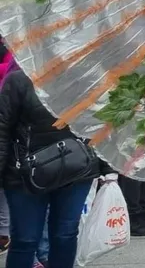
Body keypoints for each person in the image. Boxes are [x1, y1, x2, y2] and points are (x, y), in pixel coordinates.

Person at [0, 40, 107, 268]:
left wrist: (109, 169)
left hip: (76, 169)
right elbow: (2, 129)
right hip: (25, 175)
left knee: (65, 234)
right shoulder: (18, 80)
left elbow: (100, 123)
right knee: (26, 239)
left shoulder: (86, 76)